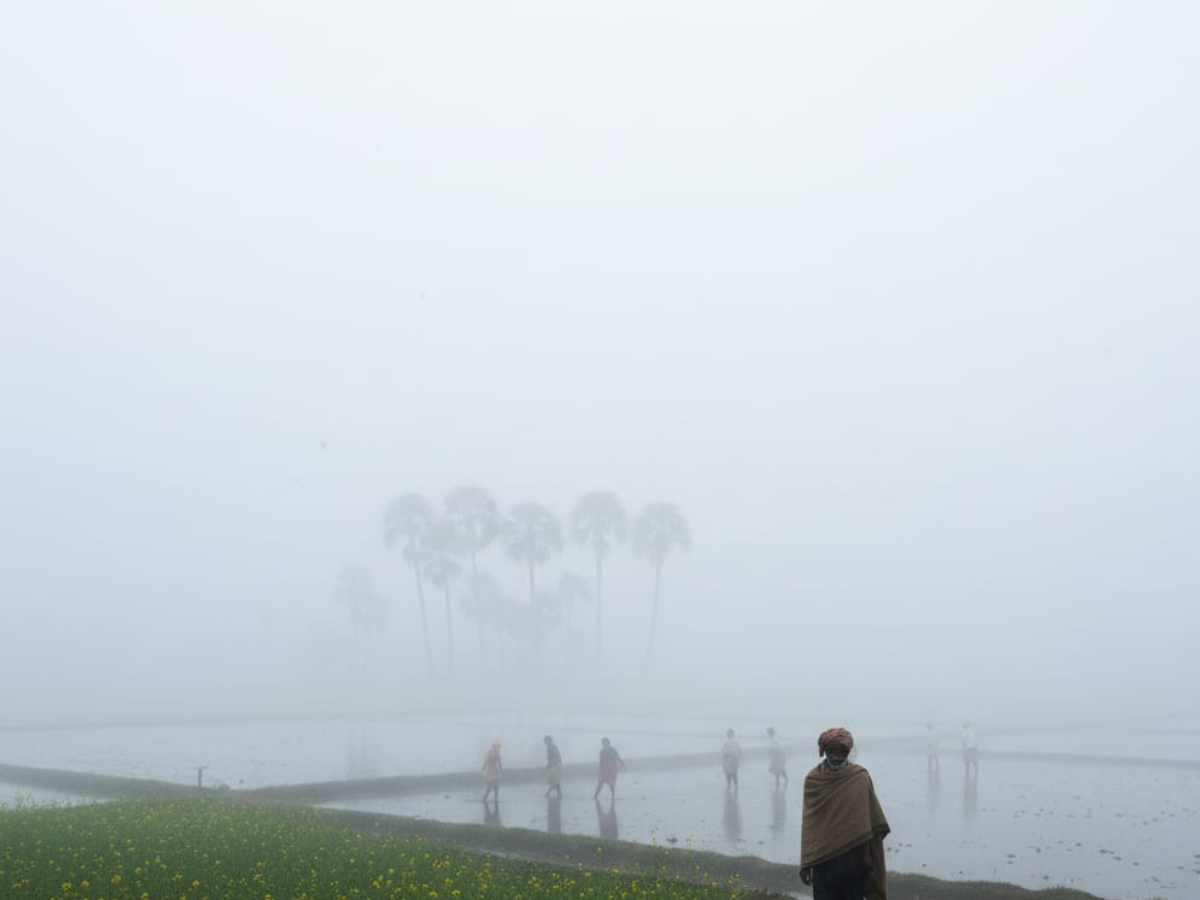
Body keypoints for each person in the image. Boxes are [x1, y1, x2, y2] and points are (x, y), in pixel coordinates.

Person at [799, 727, 890, 900]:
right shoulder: (813, 780)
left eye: (841, 752)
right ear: (825, 752)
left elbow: (873, 820)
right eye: (832, 752)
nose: (836, 756)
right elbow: (809, 826)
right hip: (823, 862)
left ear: (847, 752)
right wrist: (806, 861)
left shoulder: (860, 777)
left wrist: (872, 862)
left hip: (855, 861)